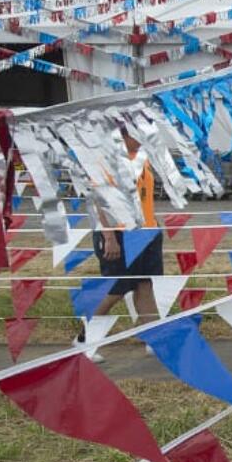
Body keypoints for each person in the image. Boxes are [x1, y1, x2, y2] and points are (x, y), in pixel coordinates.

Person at [75, 125, 163, 361]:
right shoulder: (107, 158)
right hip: (118, 233)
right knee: (115, 289)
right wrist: (109, 235)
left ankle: (152, 338)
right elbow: (99, 200)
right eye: (138, 134)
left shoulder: (142, 158)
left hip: (146, 230)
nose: (143, 138)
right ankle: (85, 339)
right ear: (123, 135)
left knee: (145, 285)